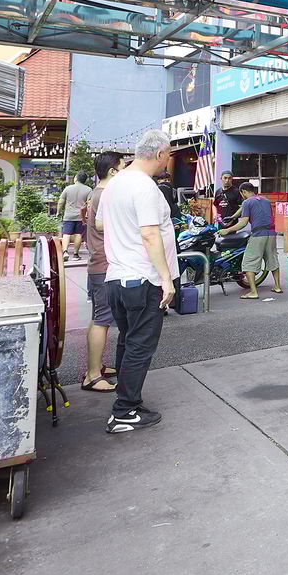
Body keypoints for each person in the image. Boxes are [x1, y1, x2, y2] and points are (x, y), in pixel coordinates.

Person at [99, 129, 178, 434]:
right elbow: (149, 234)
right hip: (142, 279)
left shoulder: (115, 184)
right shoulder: (144, 187)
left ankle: (129, 401)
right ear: (160, 154)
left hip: (117, 278)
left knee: (128, 343)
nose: (168, 160)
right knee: (139, 348)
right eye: (169, 154)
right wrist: (165, 279)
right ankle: (123, 413)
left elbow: (103, 224)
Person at [80, 153, 123, 393]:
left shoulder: (95, 193)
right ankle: (93, 376)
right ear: (113, 171)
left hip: (98, 262)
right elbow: (103, 225)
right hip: (104, 263)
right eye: (122, 167)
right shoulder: (106, 194)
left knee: (98, 318)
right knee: (102, 320)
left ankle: (95, 368)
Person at [221, 181, 281, 299]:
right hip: (272, 233)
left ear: (243, 192)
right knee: (272, 259)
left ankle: (253, 292)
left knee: (248, 263)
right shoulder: (265, 200)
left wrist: (227, 230)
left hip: (258, 234)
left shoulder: (247, 202)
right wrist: (233, 217)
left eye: (241, 194)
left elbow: (243, 223)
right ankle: (277, 287)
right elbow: (246, 206)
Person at [59, 173, 93, 260]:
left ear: (76, 178)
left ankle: (65, 252)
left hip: (68, 216)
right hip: (80, 217)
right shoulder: (88, 190)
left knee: (66, 234)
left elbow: (61, 202)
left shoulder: (68, 188)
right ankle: (75, 254)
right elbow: (90, 204)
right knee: (78, 234)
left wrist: (58, 212)